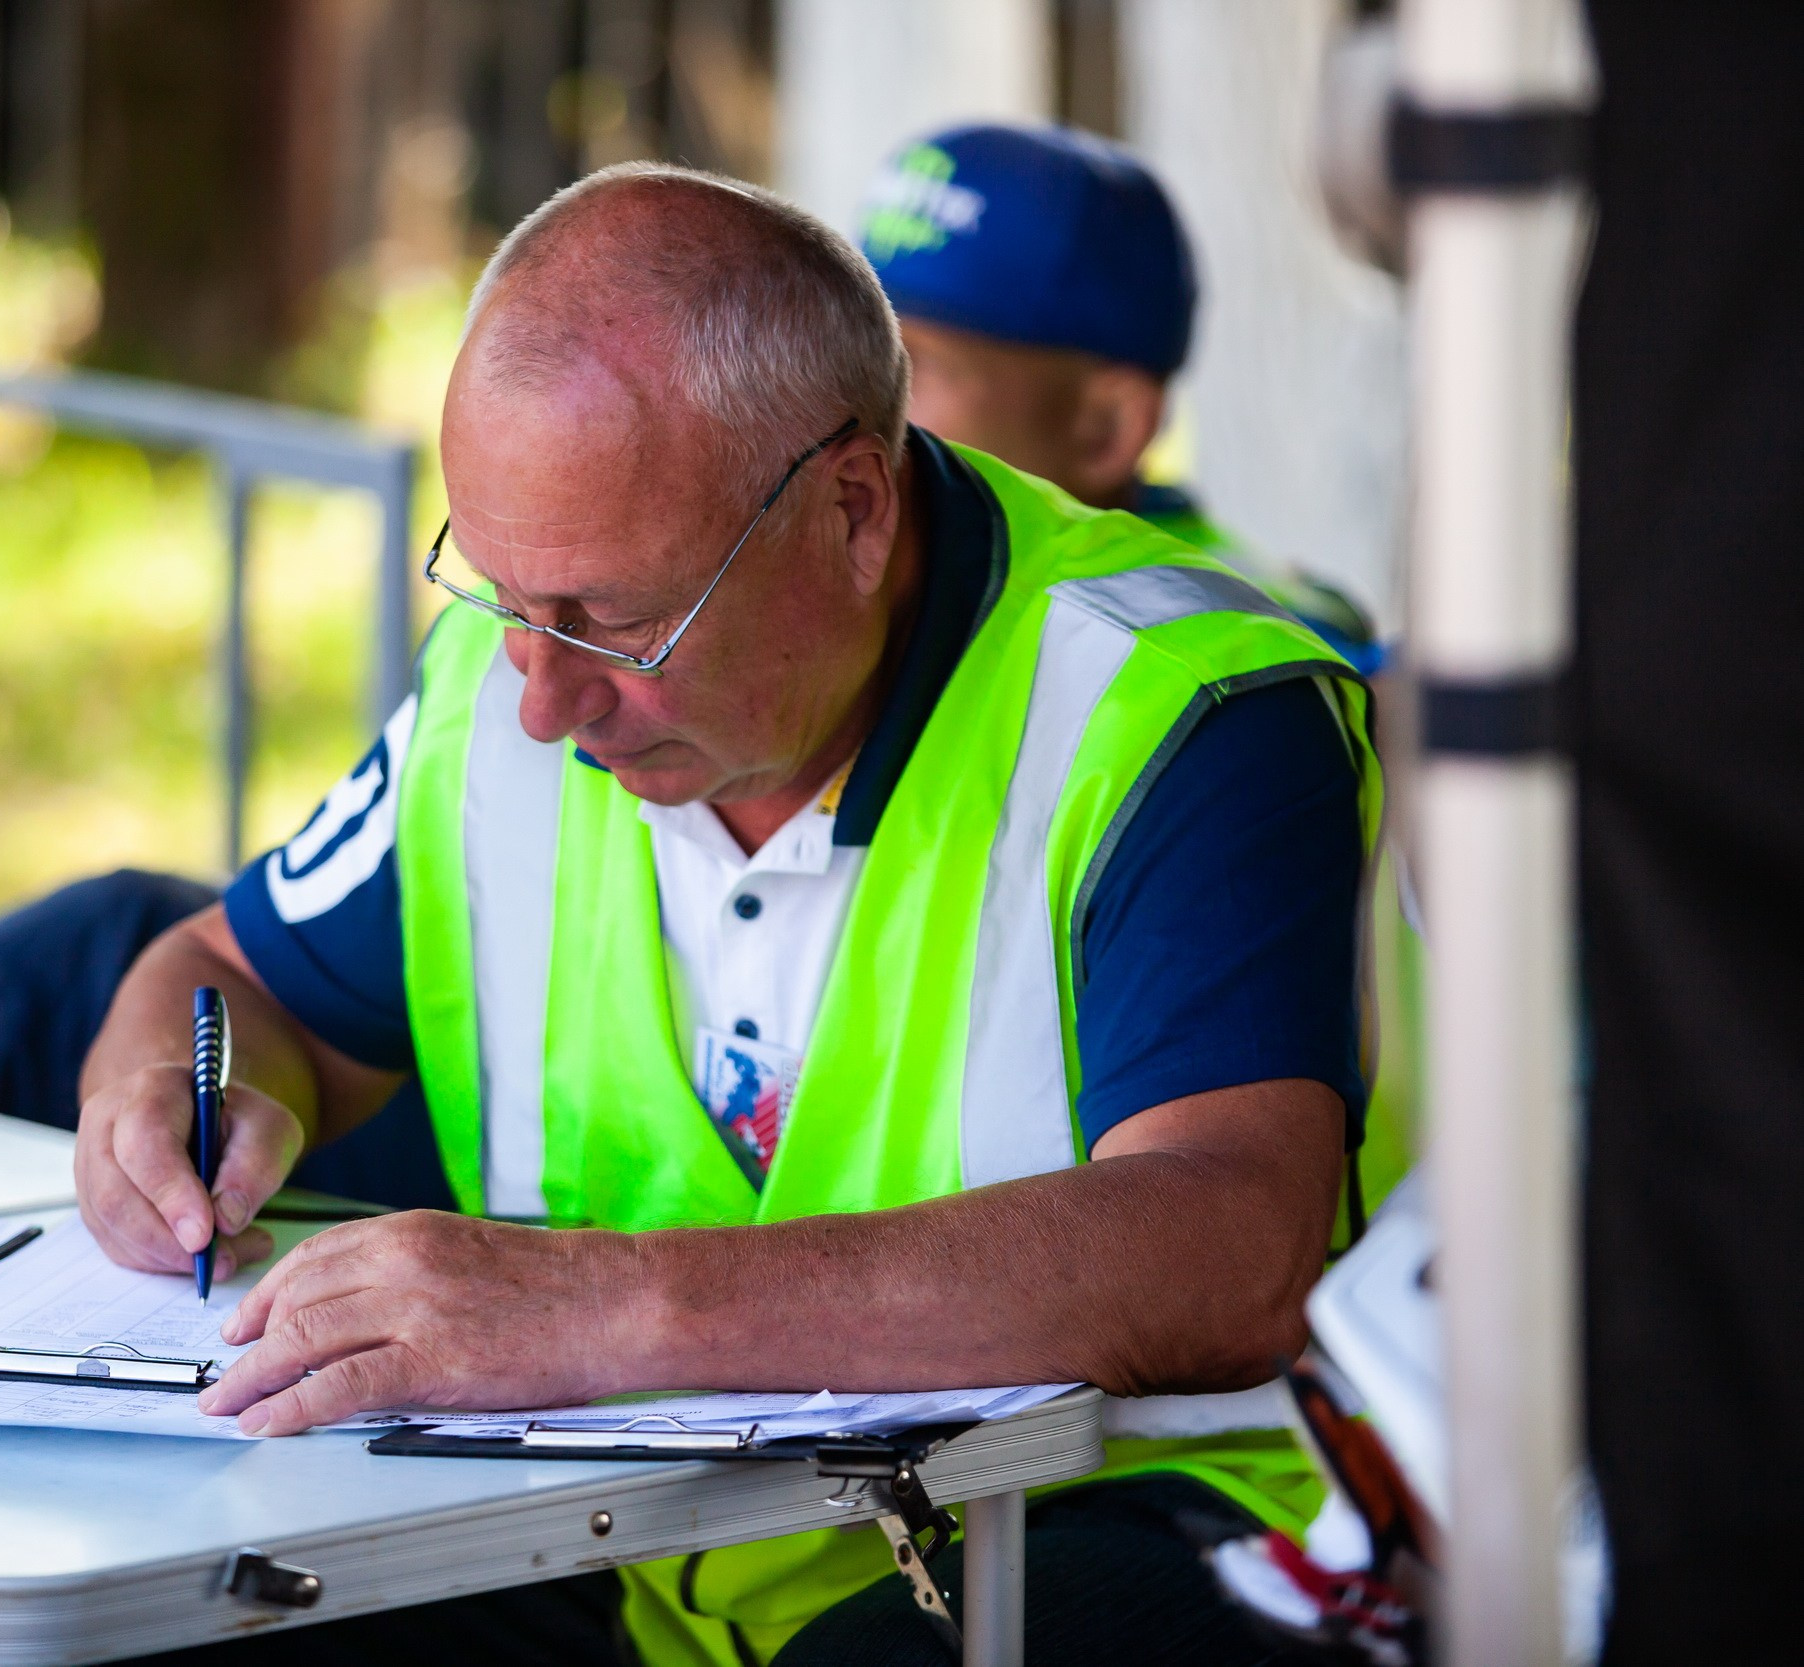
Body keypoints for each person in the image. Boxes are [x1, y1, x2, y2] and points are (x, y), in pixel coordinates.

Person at [66, 162, 1382, 1667]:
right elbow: (238, 975)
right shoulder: (498, 696)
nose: (543, 700)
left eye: (617, 620)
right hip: (658, 1553)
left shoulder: (1182, 709)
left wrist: (607, 1308)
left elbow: (1224, 1246)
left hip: (1168, 1544)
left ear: (855, 510)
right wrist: (163, 1085)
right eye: (497, 591)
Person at [861, 123, 1381, 674]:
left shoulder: (1261, 671)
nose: (850, 398)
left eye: (909, 367)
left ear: (1108, 425)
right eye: (847, 351)